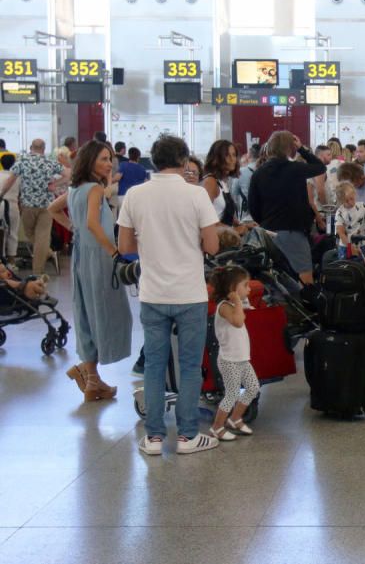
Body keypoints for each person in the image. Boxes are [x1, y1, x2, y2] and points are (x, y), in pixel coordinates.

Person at [118, 134, 221, 456]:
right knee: (190, 366)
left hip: (152, 292)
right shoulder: (196, 195)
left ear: (154, 159)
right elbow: (212, 246)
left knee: (154, 365)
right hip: (189, 292)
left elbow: (125, 247)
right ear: (183, 159)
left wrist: (153, 243)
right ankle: (188, 436)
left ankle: (153, 438)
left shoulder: (135, 195)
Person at [48, 141, 132, 402]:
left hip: (82, 256)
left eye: (110, 159)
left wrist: (75, 230)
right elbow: (94, 225)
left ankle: (91, 377)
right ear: (90, 161)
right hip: (100, 257)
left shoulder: (76, 189)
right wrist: (114, 253)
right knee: (107, 312)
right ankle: (89, 374)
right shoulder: (94, 188)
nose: (109, 164)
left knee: (87, 312)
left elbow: (52, 209)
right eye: (103, 159)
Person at [248, 131, 326, 285]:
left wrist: (265, 221)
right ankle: (305, 307)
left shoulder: (258, 173)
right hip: (293, 231)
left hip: (268, 232)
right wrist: (302, 149)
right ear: (291, 148)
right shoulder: (296, 169)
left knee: (272, 278)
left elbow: (253, 207)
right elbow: (320, 167)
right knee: (305, 279)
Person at [207, 265, 260, 441]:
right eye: (245, 285)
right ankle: (217, 427)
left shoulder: (233, 304)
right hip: (229, 360)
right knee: (231, 394)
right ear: (232, 290)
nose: (249, 288)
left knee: (253, 387)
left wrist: (240, 302)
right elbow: (237, 322)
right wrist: (238, 302)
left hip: (242, 359)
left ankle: (235, 417)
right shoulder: (224, 306)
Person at [0, 139, 67, 274]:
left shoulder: (23, 161)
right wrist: (56, 184)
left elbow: (10, 180)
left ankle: (43, 259)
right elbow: (69, 174)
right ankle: (38, 271)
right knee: (42, 237)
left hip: (28, 205)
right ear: (43, 148)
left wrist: (1, 194)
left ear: (31, 147)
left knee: (30, 233)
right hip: (48, 206)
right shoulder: (50, 162)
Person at [202, 140, 241, 229]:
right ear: (217, 158)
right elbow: (205, 220)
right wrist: (234, 230)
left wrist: (242, 225)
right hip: (216, 239)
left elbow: (224, 215)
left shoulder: (223, 182)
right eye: (227, 155)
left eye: (234, 155)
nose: (232, 159)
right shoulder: (211, 182)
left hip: (226, 238)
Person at [334, 181, 365, 259]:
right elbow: (341, 233)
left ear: (354, 194)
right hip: (346, 246)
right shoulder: (340, 212)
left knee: (364, 269)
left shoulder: (363, 206)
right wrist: (350, 247)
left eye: (351, 199)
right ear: (341, 201)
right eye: (346, 201)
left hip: (363, 244)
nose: (350, 202)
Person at [0, 154, 22, 261]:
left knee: (1, 233)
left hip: (0, 204)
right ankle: (11, 260)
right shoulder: (17, 177)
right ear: (14, 164)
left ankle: (2, 259)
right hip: (13, 205)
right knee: (13, 233)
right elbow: (21, 194)